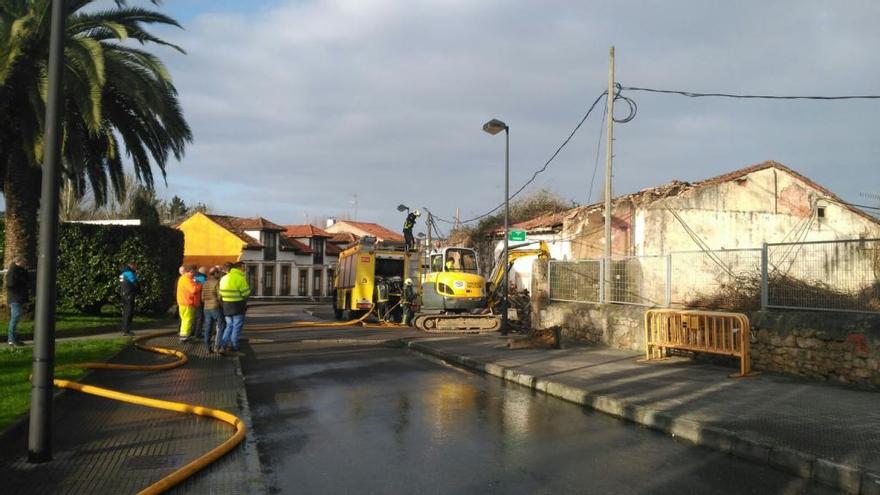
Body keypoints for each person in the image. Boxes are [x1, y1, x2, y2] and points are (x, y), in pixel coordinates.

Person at [218, 261, 251, 354]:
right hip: (238, 307)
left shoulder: (223, 278)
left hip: (226, 307)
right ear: (239, 268)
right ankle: (234, 346)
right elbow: (246, 294)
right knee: (236, 327)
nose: (245, 269)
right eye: (244, 267)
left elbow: (220, 293)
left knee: (229, 326)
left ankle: (223, 345)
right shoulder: (240, 278)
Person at [201, 266, 226, 353]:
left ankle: (207, 347)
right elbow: (220, 296)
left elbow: (202, 297)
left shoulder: (205, 283)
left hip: (206, 308)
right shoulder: (217, 282)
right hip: (215, 307)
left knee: (208, 327)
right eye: (218, 273)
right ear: (215, 273)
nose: (219, 274)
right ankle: (217, 346)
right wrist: (222, 305)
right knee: (222, 325)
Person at [6, 257, 29, 346]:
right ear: (18, 261)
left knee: (16, 318)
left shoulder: (20, 270)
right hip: (15, 298)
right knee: (15, 318)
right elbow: (11, 284)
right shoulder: (13, 271)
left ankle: (14, 338)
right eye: (24, 262)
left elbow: (27, 280)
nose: (25, 264)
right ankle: (11, 339)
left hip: (17, 297)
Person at [176, 265, 202, 342]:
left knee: (184, 320)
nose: (195, 273)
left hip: (183, 302)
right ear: (191, 271)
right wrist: (200, 285)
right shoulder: (186, 279)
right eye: (194, 272)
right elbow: (193, 290)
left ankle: (183, 335)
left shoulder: (182, 278)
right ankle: (185, 337)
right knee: (187, 320)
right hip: (188, 303)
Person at [118, 263, 139, 337]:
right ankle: (126, 330)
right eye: (135, 266)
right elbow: (135, 284)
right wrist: (138, 291)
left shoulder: (122, 273)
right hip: (129, 294)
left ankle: (124, 329)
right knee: (129, 312)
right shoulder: (130, 273)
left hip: (123, 294)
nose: (136, 268)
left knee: (125, 312)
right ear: (131, 266)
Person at [192, 266, 207, 338]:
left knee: (194, 317)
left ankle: (193, 331)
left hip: (193, 300)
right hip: (200, 300)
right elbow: (204, 289)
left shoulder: (193, 277)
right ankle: (198, 333)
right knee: (200, 318)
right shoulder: (203, 278)